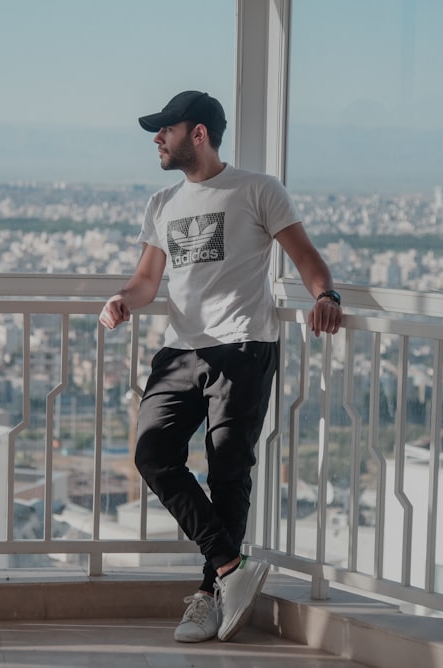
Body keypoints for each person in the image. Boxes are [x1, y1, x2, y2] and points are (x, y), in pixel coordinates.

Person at [99, 90, 342, 643]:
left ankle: (209, 597)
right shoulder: (161, 203)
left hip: (242, 347)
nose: (157, 138)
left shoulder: (258, 189)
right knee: (152, 452)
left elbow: (305, 257)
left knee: (228, 469)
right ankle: (232, 567)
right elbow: (145, 281)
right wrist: (121, 300)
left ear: (199, 133)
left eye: (166, 128)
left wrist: (327, 297)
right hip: (181, 350)